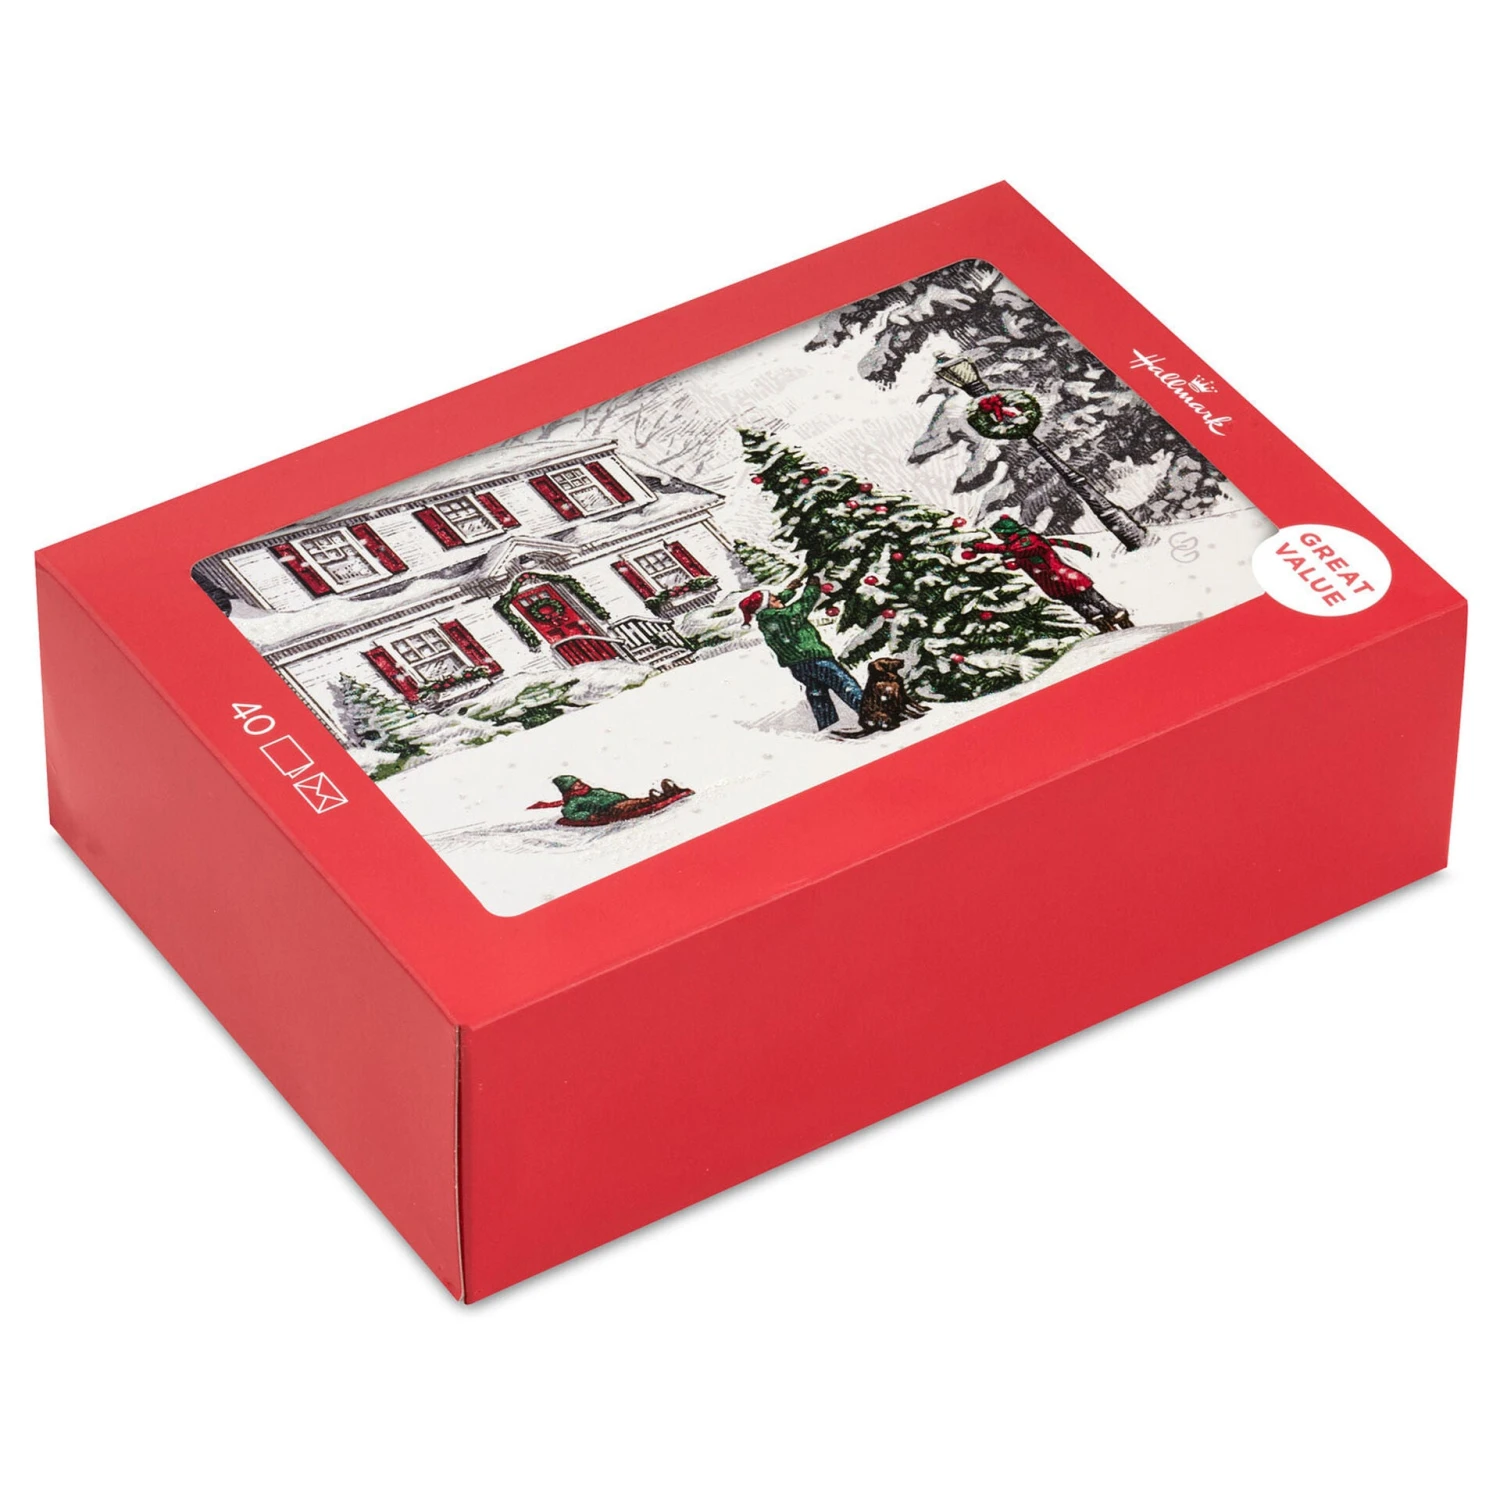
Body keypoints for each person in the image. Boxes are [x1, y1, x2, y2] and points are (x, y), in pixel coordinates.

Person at [740, 576, 864, 731]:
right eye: (774, 599)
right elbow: (804, 605)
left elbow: (778, 603)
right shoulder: (784, 616)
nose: (779, 598)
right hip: (814, 658)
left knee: (817, 693)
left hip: (797, 666)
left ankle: (828, 725)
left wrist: (790, 590)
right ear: (767, 606)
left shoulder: (766, 618)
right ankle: (870, 715)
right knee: (844, 684)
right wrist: (812, 587)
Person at [967, 516, 1133, 630]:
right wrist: (977, 547)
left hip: (1065, 578)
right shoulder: (1015, 544)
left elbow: (1025, 549)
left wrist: (1008, 553)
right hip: (1056, 582)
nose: (997, 536)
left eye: (998, 533)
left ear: (1005, 532)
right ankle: (1104, 625)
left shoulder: (1028, 540)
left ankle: (1122, 622)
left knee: (1094, 600)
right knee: (1080, 605)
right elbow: (1003, 549)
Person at [529, 773, 687, 825]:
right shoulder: (574, 801)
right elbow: (569, 813)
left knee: (635, 802)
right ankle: (656, 799)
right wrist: (588, 816)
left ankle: (664, 794)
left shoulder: (592, 791)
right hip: (609, 810)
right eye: (575, 784)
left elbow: (610, 795)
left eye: (578, 782)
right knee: (630, 805)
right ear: (569, 789)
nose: (579, 784)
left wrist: (618, 797)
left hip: (619, 802)